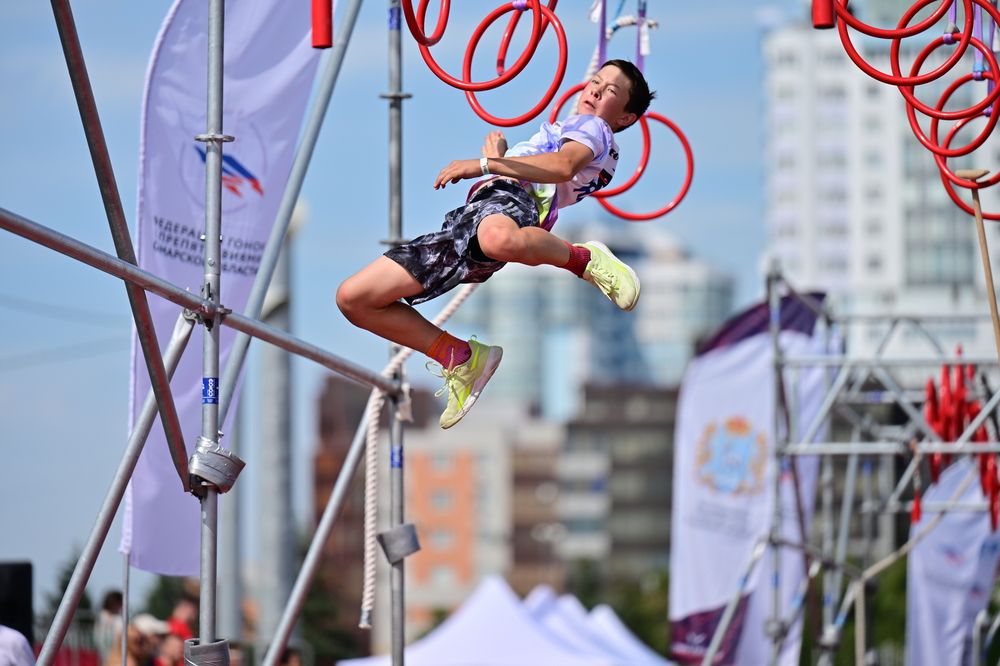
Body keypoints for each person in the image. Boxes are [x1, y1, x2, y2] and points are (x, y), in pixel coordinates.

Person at [337, 59, 655, 428]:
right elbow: (551, 170)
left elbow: (562, 167)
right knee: (355, 299)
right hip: (475, 218)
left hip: (504, 205)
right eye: (595, 82)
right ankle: (458, 357)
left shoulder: (593, 127)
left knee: (497, 238)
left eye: (610, 91)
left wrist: (486, 164)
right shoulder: (579, 132)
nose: (596, 90)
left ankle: (585, 260)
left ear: (626, 118)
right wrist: (503, 160)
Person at [94, 590, 123, 664]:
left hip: (113, 653)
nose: (121, 607)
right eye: (120, 604)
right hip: (107, 652)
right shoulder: (103, 617)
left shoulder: (117, 618)